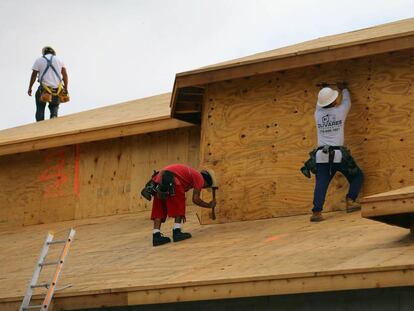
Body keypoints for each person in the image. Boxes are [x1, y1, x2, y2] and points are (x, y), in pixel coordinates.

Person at [305, 82, 364, 222]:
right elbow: (347, 101)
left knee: (321, 184)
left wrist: (322, 90)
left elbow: (319, 104)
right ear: (334, 101)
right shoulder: (340, 111)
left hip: (322, 156)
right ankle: (350, 201)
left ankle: (317, 212)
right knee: (357, 176)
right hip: (338, 155)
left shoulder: (317, 114)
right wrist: (344, 88)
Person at [141, 164, 217, 246]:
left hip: (159, 179)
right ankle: (177, 232)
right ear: (206, 182)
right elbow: (196, 199)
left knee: (159, 207)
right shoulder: (200, 178)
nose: (202, 187)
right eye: (204, 187)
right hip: (172, 180)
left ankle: (156, 236)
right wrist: (209, 205)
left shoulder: (190, 174)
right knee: (179, 204)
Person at [27, 46, 68, 121]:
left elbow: (34, 75)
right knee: (54, 107)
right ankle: (54, 122)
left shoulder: (39, 60)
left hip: (44, 90)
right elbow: (65, 75)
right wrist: (65, 88)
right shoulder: (59, 60)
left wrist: (30, 88)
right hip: (57, 90)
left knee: (40, 108)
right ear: (53, 52)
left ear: (44, 53)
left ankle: (40, 127)